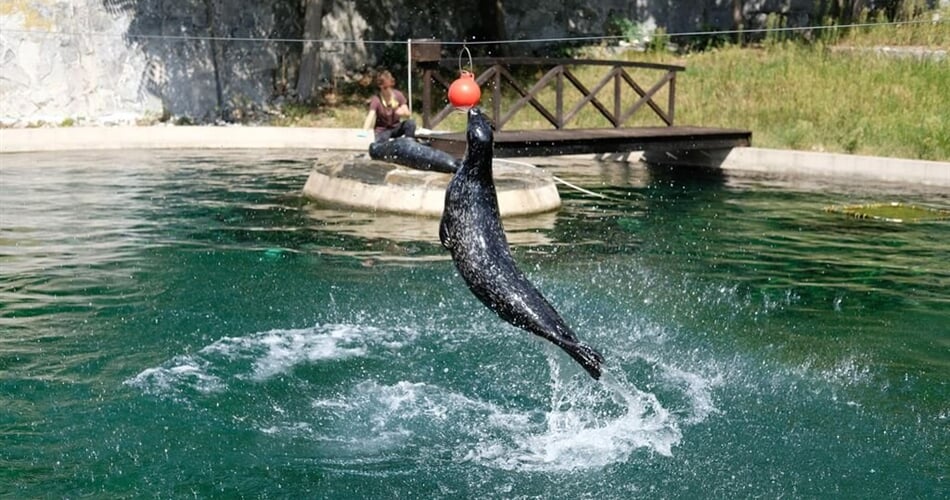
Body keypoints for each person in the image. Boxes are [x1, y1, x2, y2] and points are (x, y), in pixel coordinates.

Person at [363, 70, 416, 142]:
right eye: (385, 88)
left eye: (390, 87)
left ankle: (410, 144)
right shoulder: (376, 99)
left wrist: (402, 112)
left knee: (410, 123)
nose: (388, 90)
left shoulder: (398, 95)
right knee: (382, 140)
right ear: (380, 87)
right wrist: (364, 131)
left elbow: (408, 113)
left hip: (396, 127)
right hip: (382, 130)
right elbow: (370, 116)